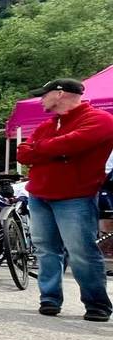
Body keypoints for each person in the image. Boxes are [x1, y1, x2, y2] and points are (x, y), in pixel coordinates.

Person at [16, 79, 113, 322]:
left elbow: (73, 143)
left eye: (44, 94)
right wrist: (54, 152)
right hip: (40, 193)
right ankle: (49, 299)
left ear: (60, 94)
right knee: (46, 249)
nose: (41, 99)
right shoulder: (49, 124)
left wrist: (44, 149)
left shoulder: (100, 119)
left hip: (75, 196)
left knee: (81, 251)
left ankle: (97, 304)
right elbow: (23, 152)